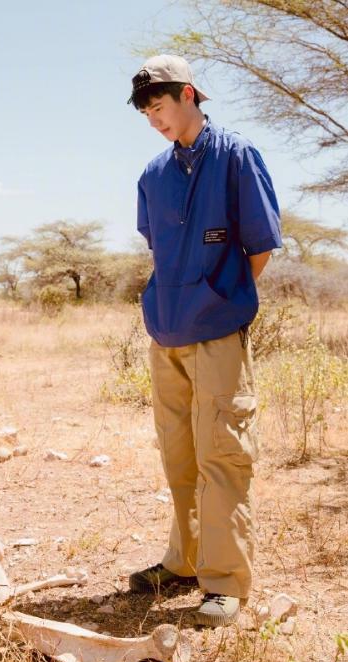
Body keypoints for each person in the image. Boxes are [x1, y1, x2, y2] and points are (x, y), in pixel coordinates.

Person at [127, 55, 282, 627]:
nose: (154, 120)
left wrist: (222, 299)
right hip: (166, 332)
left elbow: (260, 247)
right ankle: (184, 561)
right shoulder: (151, 174)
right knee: (179, 454)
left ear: (188, 94)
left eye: (160, 107)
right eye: (146, 113)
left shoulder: (237, 156)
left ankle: (223, 583)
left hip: (217, 331)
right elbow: (158, 248)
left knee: (223, 455)